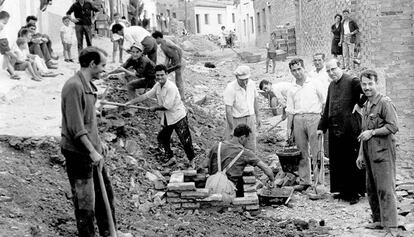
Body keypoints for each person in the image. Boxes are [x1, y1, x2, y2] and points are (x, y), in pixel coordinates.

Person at [61, 47, 117, 237]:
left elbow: (90, 123)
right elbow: (76, 128)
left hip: (92, 149)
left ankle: (108, 232)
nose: (104, 70)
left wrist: (99, 144)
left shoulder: (89, 87)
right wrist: (92, 151)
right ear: (92, 64)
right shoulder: (74, 87)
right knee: (85, 201)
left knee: (104, 195)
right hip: (78, 153)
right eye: (102, 65)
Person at [125, 64, 195, 166]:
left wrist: (154, 108)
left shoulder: (171, 87)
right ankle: (171, 158)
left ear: (166, 74)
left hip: (178, 116)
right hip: (168, 118)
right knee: (162, 138)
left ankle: (192, 161)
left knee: (185, 139)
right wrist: (131, 102)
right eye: (158, 75)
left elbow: (167, 106)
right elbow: (146, 95)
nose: (160, 77)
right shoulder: (157, 85)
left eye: (162, 75)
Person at [317, 58, 366, 204]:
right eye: (328, 71)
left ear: (340, 67)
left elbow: (366, 92)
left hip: (350, 128)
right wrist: (321, 126)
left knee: (351, 160)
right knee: (338, 160)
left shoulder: (352, 80)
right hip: (335, 129)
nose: (331, 73)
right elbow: (328, 108)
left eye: (333, 69)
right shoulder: (331, 85)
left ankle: (354, 193)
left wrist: (359, 105)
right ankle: (342, 190)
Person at [356, 70, 398, 230]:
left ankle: (391, 226)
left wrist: (373, 132)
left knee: (386, 188)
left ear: (376, 84)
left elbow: (393, 126)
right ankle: (379, 220)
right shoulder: (366, 104)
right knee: (371, 188)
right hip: (369, 153)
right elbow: (363, 132)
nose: (367, 87)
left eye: (370, 84)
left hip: (383, 152)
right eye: (364, 84)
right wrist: (360, 154)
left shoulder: (384, 103)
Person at [285, 58, 325, 191]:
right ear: (291, 72)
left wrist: (323, 121)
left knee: (317, 151)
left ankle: (319, 183)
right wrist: (288, 130)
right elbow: (290, 110)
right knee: (301, 152)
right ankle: (304, 181)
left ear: (304, 68)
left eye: (299, 69)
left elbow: (324, 101)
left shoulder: (314, 82)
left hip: (314, 117)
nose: (297, 73)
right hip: (298, 119)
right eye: (293, 70)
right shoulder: (291, 88)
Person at [204, 124, 275, 197]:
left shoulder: (217, 146)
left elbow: (203, 165)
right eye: (247, 139)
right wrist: (272, 180)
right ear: (242, 137)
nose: (247, 142)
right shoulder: (244, 153)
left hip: (210, 188)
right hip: (226, 191)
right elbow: (266, 168)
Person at [224, 65, 261, 152]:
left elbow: (255, 100)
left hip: (250, 118)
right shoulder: (230, 88)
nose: (245, 82)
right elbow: (228, 110)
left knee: (250, 145)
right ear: (236, 77)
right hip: (237, 120)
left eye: (246, 79)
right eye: (242, 80)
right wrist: (232, 128)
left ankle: (250, 164)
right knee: (235, 147)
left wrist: (258, 116)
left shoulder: (251, 84)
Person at [152, 31, 184, 99]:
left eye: (155, 39)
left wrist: (180, 61)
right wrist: (164, 67)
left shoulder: (166, 42)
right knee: (164, 76)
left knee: (178, 80)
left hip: (178, 62)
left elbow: (179, 49)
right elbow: (167, 58)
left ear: (158, 38)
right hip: (173, 63)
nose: (155, 41)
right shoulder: (161, 47)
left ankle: (181, 97)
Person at [0, 10, 21, 80]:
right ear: (5, 18)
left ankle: (12, 72)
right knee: (15, 56)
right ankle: (11, 71)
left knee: (7, 59)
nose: (7, 21)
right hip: (3, 43)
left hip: (4, 42)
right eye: (7, 19)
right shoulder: (1, 24)